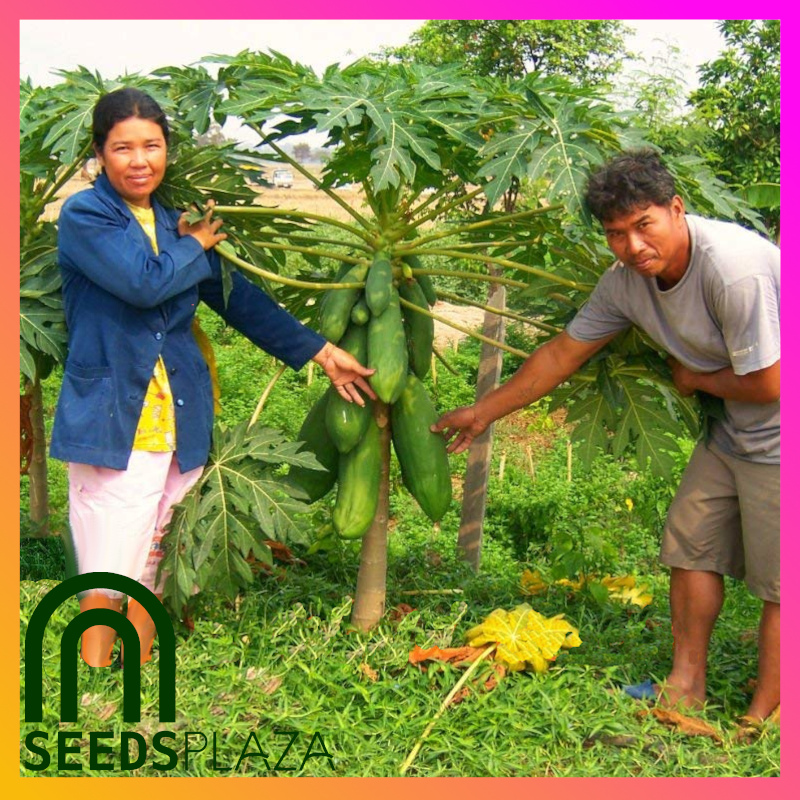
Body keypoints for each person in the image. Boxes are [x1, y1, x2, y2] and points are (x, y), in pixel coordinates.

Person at [433, 149, 780, 723]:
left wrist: (694, 378)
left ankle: (767, 714)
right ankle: (683, 686)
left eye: (644, 226)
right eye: (617, 235)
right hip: (730, 432)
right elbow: (560, 354)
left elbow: (771, 381)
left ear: (676, 208)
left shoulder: (732, 269)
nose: (634, 247)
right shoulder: (624, 283)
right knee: (691, 547)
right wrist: (483, 412)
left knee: (780, 585)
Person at [51, 87, 375, 668]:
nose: (139, 160)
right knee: (108, 558)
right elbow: (143, 281)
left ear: (167, 150)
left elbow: (238, 301)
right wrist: (194, 242)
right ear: (100, 153)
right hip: (115, 417)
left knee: (161, 548)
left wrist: (322, 351)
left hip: (179, 413)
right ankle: (98, 675)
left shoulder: (172, 225)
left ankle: (142, 665)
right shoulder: (87, 216)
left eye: (152, 145)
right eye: (123, 148)